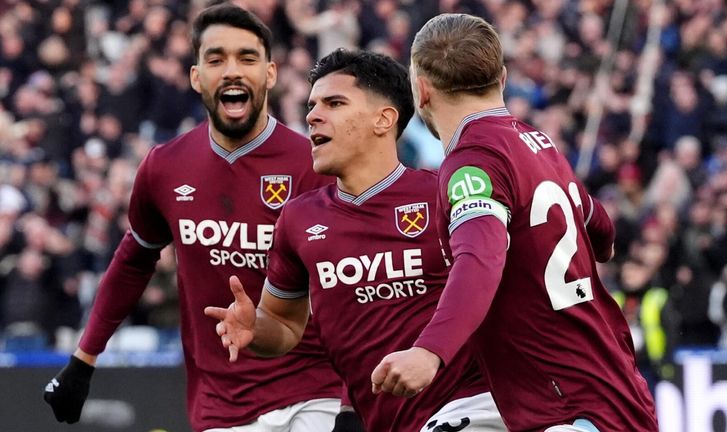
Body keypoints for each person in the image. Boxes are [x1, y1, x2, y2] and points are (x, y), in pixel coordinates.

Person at [43, 4, 344, 432]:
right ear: (196, 77)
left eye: (247, 58)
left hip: (313, 394)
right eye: (216, 59)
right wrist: (83, 360)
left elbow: (354, 286)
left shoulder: (316, 166)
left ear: (270, 74)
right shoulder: (164, 167)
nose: (232, 71)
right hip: (221, 406)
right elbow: (133, 261)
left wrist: (350, 401)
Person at [370, 13, 659, 431]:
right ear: (502, 79)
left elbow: (481, 258)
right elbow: (601, 229)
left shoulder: (474, 161)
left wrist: (429, 351)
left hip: (569, 407)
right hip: (608, 389)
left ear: (422, 89)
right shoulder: (538, 144)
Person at [204, 49, 506, 432]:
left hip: (473, 406)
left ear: (384, 119)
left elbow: (493, 278)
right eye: (312, 105)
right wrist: (254, 328)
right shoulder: (299, 219)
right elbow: (283, 323)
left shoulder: (444, 194)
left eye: (334, 103)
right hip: (379, 418)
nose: (313, 115)